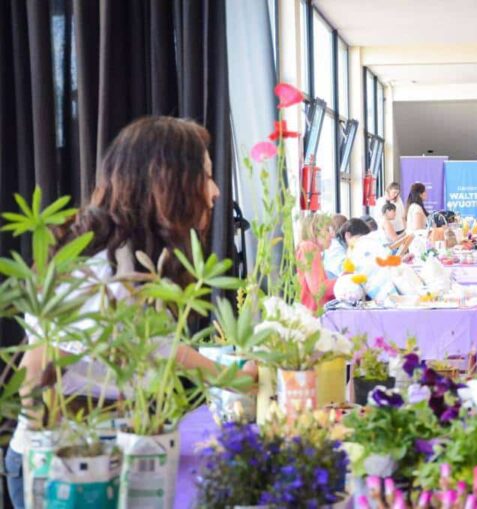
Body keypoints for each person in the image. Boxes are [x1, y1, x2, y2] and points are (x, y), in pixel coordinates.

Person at [4, 116, 259, 509]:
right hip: (64, 473)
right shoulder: (99, 267)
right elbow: (39, 370)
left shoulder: (128, 256)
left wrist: (230, 376)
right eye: (206, 177)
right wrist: (65, 464)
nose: (216, 192)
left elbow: (157, 347)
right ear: (168, 182)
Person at [297, 213, 337, 313]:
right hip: (312, 315)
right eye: (327, 230)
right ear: (315, 231)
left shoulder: (306, 248)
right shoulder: (309, 248)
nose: (332, 235)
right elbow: (318, 289)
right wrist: (343, 282)